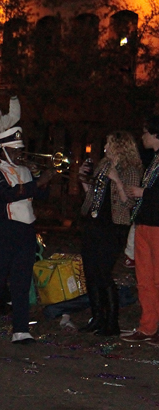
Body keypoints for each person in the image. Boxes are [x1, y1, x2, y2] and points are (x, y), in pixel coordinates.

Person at [0, 126, 54, 344]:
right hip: (0, 231)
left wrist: (44, 178)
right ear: (3, 149)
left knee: (21, 281)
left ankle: (21, 329)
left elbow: (40, 194)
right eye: (14, 149)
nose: (18, 153)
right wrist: (39, 181)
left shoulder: (25, 170)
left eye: (19, 149)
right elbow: (7, 194)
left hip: (24, 231)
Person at [77, 131, 142, 336]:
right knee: (91, 272)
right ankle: (97, 317)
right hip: (94, 223)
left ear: (119, 146)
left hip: (113, 227)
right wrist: (82, 179)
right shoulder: (103, 165)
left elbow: (129, 202)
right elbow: (93, 194)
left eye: (108, 143)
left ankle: (111, 322)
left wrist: (118, 181)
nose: (105, 146)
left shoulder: (130, 169)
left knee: (104, 273)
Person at [122, 116, 159, 344]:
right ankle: (148, 327)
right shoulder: (153, 160)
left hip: (157, 226)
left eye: (146, 132)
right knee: (144, 279)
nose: (142, 137)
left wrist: (143, 193)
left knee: (157, 279)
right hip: (144, 224)